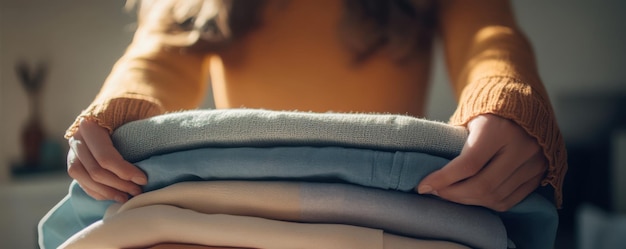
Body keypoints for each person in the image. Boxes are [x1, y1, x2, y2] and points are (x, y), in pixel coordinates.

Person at [65, 0, 567, 212]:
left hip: (391, 212)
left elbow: (488, 35)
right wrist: (113, 115)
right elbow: (156, 62)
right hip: (246, 213)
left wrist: (508, 96)